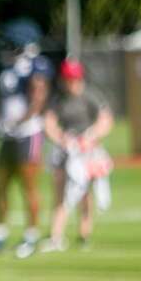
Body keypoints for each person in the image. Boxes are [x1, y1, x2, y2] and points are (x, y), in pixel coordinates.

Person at [0, 19, 52, 259]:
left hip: (27, 133)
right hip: (8, 134)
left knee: (28, 185)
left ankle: (31, 235)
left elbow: (37, 99)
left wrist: (17, 122)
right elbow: (1, 100)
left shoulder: (35, 66)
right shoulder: (6, 66)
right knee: (0, 184)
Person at [41, 59, 113, 252]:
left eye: (74, 79)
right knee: (60, 194)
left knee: (84, 194)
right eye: (68, 79)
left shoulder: (91, 96)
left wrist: (90, 136)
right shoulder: (58, 99)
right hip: (65, 151)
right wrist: (62, 139)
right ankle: (56, 236)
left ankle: (84, 234)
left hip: (87, 153)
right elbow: (49, 123)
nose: (72, 83)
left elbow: (105, 121)